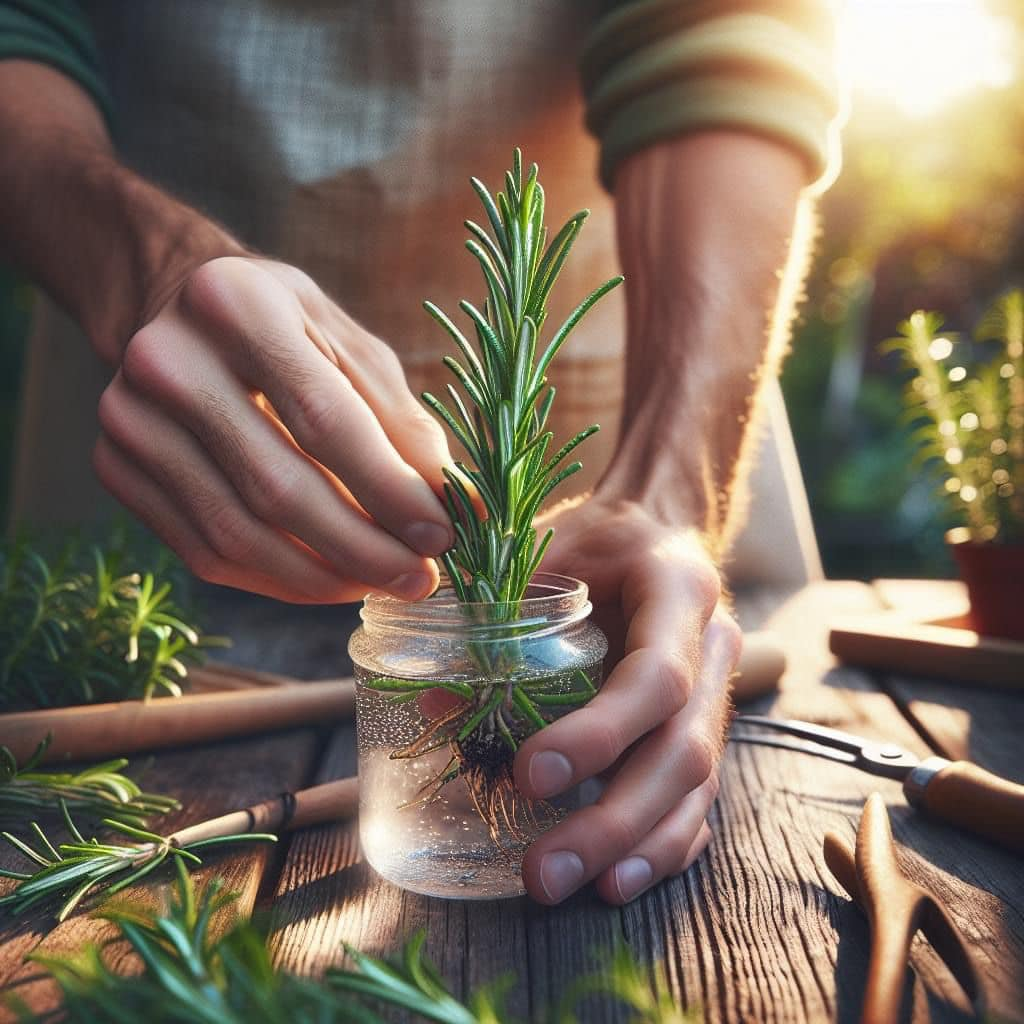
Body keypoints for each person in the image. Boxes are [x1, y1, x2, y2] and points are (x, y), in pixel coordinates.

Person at [0, 1, 841, 906]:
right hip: (157, 420)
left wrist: (672, 491)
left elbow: (728, 31)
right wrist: (141, 267)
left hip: (637, 377)